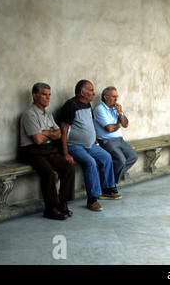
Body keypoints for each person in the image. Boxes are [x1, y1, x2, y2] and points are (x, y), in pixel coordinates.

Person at [59, 80, 122, 212]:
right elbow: (63, 130)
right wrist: (65, 153)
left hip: (90, 145)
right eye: (91, 90)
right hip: (74, 146)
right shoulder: (70, 105)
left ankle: (107, 190)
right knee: (90, 162)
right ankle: (92, 199)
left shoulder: (87, 104)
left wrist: (95, 141)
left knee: (106, 157)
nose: (94, 93)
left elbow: (89, 124)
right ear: (82, 92)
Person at [20, 83, 75, 220]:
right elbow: (37, 140)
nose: (48, 98)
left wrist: (46, 133)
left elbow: (60, 133)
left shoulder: (48, 114)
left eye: (49, 95)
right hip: (31, 151)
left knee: (68, 168)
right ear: (35, 95)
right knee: (48, 173)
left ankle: (62, 203)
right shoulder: (29, 114)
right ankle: (50, 209)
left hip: (48, 150)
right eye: (44, 94)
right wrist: (50, 133)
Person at [93, 87, 138, 193]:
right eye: (113, 96)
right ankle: (109, 185)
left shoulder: (116, 109)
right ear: (105, 97)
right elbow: (109, 128)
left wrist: (121, 113)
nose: (116, 99)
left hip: (119, 140)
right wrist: (118, 123)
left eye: (117, 96)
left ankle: (110, 181)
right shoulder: (100, 109)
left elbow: (125, 124)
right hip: (107, 141)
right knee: (121, 161)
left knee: (133, 156)